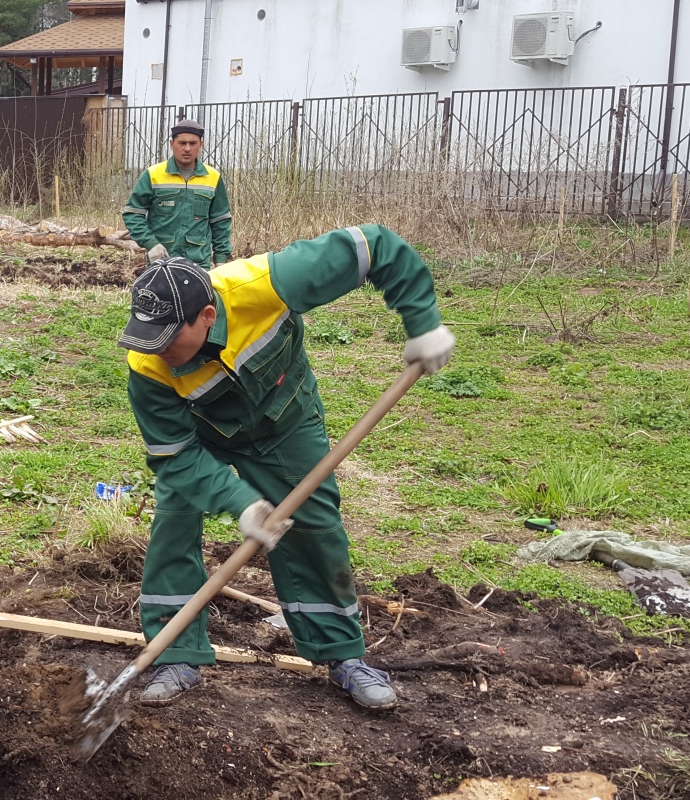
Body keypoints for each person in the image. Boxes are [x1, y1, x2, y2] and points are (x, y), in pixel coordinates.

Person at [118, 225, 456, 708]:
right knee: (174, 520)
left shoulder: (265, 283)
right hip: (202, 436)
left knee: (315, 524)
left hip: (286, 421)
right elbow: (175, 458)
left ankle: (342, 656)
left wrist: (422, 321)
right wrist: (242, 505)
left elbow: (374, 246)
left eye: (169, 338)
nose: (157, 349)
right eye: (148, 338)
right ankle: (174, 656)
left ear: (207, 315)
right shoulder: (148, 365)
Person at [123, 118, 232, 267]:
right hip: (162, 260)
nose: (187, 148)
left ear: (201, 145)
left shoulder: (213, 177)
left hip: (198, 263)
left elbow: (220, 221)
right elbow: (133, 213)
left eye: (193, 143)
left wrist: (221, 259)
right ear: (172, 144)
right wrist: (151, 244)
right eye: (182, 143)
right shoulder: (153, 174)